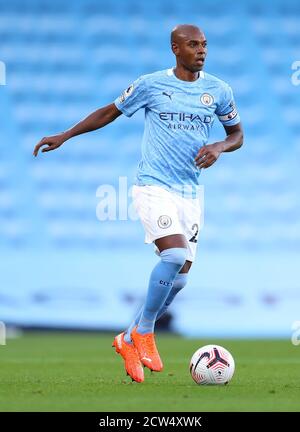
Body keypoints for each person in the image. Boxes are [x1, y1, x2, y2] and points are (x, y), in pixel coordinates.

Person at [33, 24, 243, 383]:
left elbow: (237, 134)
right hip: (153, 186)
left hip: (190, 193)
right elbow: (109, 112)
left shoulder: (218, 90)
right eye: (193, 45)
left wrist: (219, 147)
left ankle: (127, 338)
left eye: (205, 45)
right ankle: (144, 331)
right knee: (173, 257)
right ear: (175, 49)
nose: (202, 50)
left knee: (179, 281)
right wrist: (65, 135)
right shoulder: (151, 84)